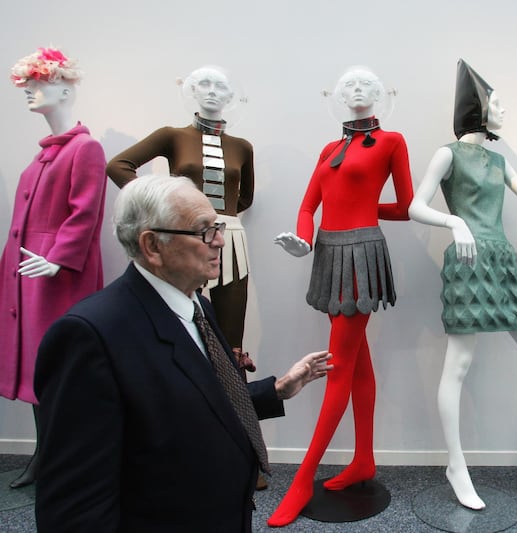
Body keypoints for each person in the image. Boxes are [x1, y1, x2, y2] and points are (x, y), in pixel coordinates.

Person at [33, 175, 333, 533]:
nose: (220, 240)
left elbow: (198, 403)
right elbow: (75, 508)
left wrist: (277, 389)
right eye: (204, 230)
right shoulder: (88, 337)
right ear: (152, 246)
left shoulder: (198, 307)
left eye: (218, 227)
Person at [408, 59, 517, 510]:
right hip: (468, 261)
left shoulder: (499, 160)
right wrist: (455, 223)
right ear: (478, 107)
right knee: (460, 364)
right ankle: (456, 465)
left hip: (502, 261)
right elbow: (415, 206)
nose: (504, 112)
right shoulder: (447, 153)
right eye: (498, 104)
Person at [270, 66, 413, 527]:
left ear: (380, 95)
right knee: (358, 361)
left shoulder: (391, 141)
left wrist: (365, 210)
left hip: (361, 255)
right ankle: (363, 461)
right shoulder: (330, 148)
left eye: (366, 85)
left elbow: (406, 207)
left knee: (337, 367)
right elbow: (308, 203)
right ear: (336, 95)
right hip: (328, 254)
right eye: (349, 85)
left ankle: (304, 477)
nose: (356, 91)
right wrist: (303, 238)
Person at [0, 47, 106, 488]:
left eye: (37, 84)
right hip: (27, 275)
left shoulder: (85, 148)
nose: (28, 91)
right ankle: (45, 457)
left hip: (56, 276)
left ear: (63, 89)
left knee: (55, 366)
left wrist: (59, 259)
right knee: (32, 366)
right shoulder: (41, 155)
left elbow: (85, 214)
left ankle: (60, 461)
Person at [106, 65, 255, 368]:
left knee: (231, 337)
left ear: (230, 96)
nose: (212, 91)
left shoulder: (242, 147)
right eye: (204, 84)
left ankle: (233, 404)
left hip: (230, 240)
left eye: (219, 85)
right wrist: (162, 204)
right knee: (177, 320)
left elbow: (245, 198)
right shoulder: (172, 136)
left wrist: (218, 220)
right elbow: (118, 165)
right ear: (191, 90)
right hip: (183, 236)